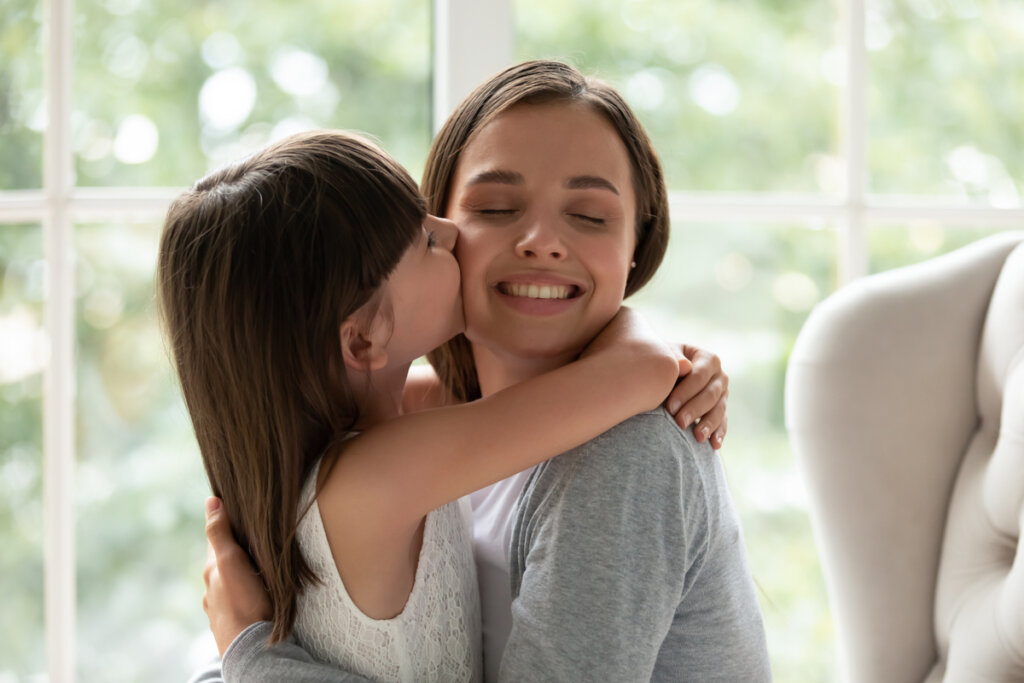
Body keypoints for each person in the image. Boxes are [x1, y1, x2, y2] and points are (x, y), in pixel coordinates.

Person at [191, 60, 769, 682]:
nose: (541, 240)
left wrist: (253, 661)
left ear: (636, 247)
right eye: (494, 208)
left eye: (590, 216)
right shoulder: (423, 422)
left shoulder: (632, 450)